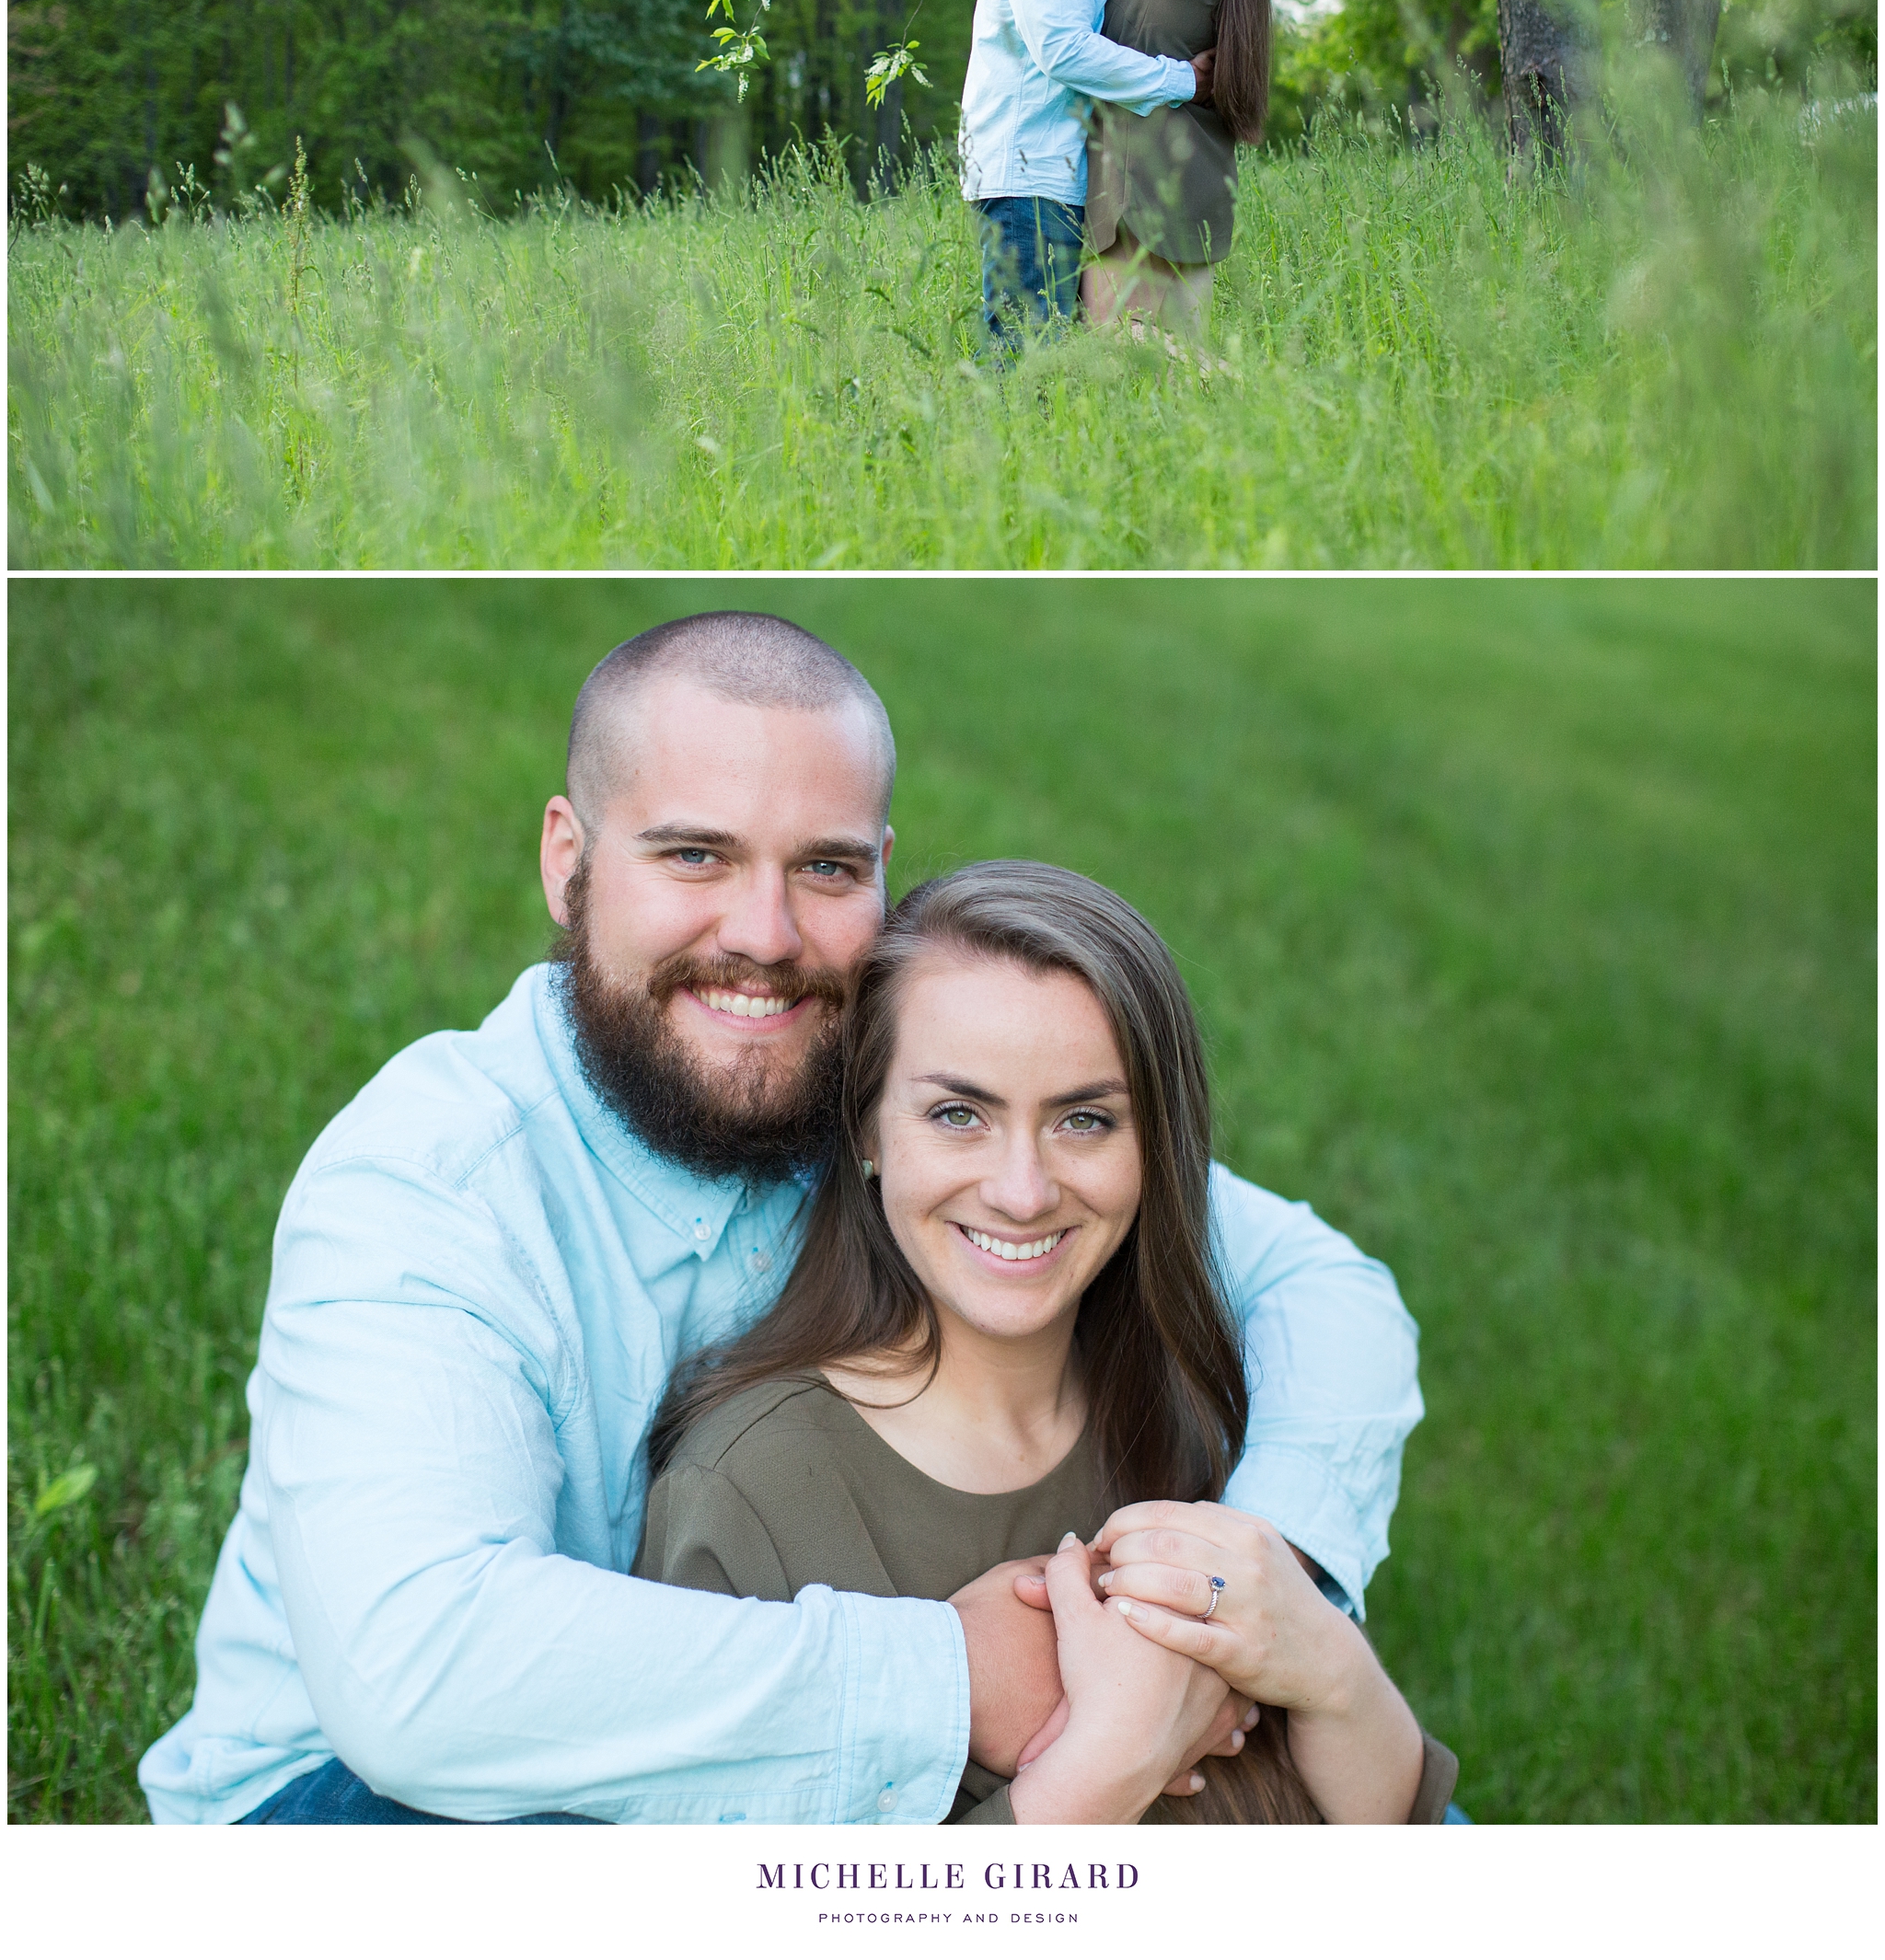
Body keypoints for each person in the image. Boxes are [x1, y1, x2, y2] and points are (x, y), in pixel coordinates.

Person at [139, 609, 1422, 1825]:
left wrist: (1257, 1584)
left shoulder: (874, 1087)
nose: (765, 936)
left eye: (826, 868)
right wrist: (956, 1680)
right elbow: (417, 1678)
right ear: (568, 862)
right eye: (695, 854)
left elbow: (1312, 1280)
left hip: (750, 1729)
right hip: (380, 1809)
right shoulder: (432, 1182)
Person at [637, 861, 1454, 1825]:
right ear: (864, 1126)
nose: (1022, 1189)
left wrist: (1326, 1662)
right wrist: (1104, 1763)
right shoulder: (745, 1497)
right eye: (957, 1114)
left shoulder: (1190, 1389)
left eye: (1082, 1119)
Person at [988, 0, 1271, 352]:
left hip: (1140, 186)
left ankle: (1248, 391)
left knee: (1124, 348)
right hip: (1200, 186)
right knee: (1176, 380)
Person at [959, 0, 1215, 350]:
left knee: (1061, 358)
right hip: (1029, 174)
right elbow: (1063, 50)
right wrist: (1184, 81)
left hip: (1065, 174)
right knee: (1024, 357)